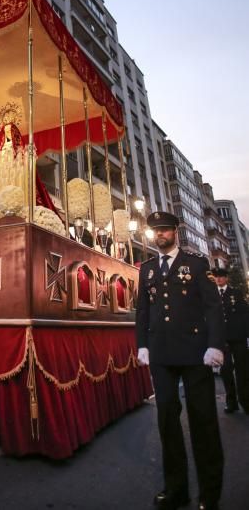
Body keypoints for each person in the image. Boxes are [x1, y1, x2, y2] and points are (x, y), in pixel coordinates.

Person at [136, 211, 225, 510]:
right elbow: (142, 312)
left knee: (203, 422)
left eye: (164, 230)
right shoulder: (147, 269)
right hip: (161, 354)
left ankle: (210, 493)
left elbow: (213, 308)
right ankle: (176, 489)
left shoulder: (197, 264)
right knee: (167, 423)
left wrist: (215, 346)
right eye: (155, 231)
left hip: (195, 352)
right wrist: (142, 345)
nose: (159, 235)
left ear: (175, 231)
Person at [211, 267, 249, 413]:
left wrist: (247, 335)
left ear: (226, 278)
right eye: (216, 276)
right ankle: (231, 402)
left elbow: (245, 314)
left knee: (243, 371)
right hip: (222, 340)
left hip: (238, 337)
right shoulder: (212, 295)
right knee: (226, 372)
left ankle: (245, 400)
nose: (219, 279)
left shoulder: (235, 293)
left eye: (221, 276)